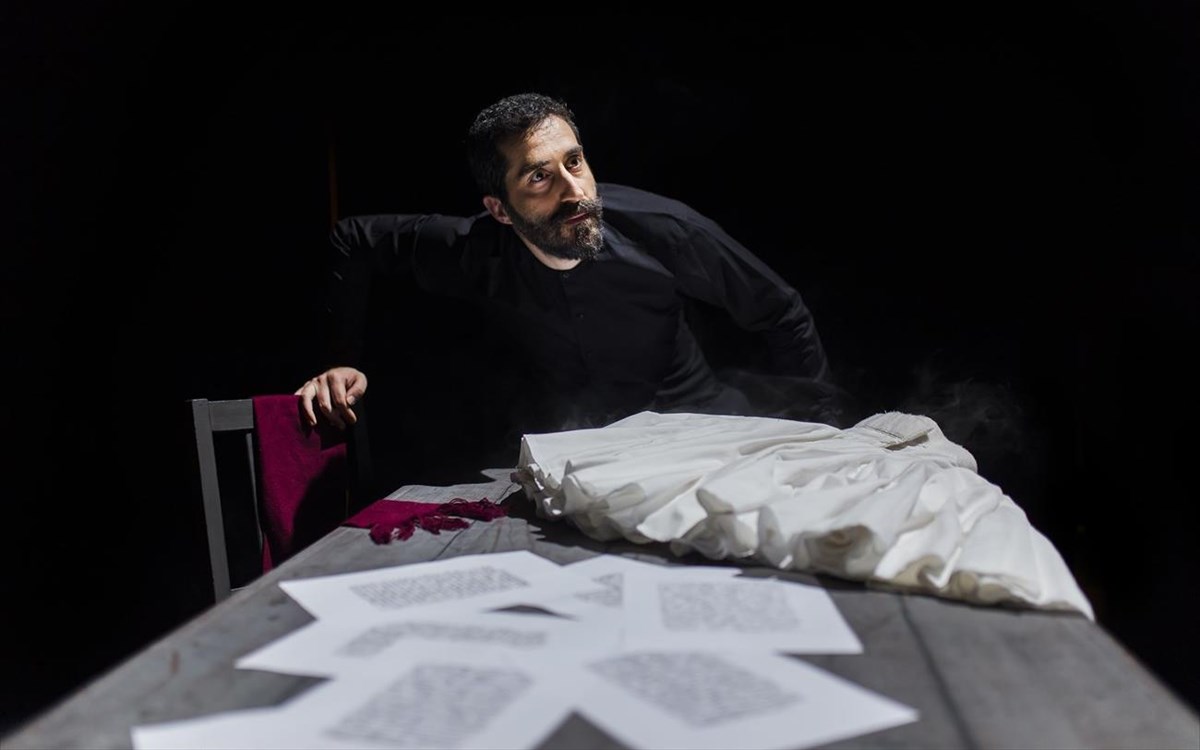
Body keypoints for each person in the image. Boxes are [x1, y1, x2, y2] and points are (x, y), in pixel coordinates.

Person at [295, 92, 844, 455]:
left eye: (574, 161)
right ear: (500, 209)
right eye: (539, 176)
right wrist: (340, 358)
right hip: (581, 451)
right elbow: (354, 238)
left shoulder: (665, 231)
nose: (574, 190)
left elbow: (781, 310)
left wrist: (828, 436)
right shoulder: (472, 251)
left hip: (700, 433)